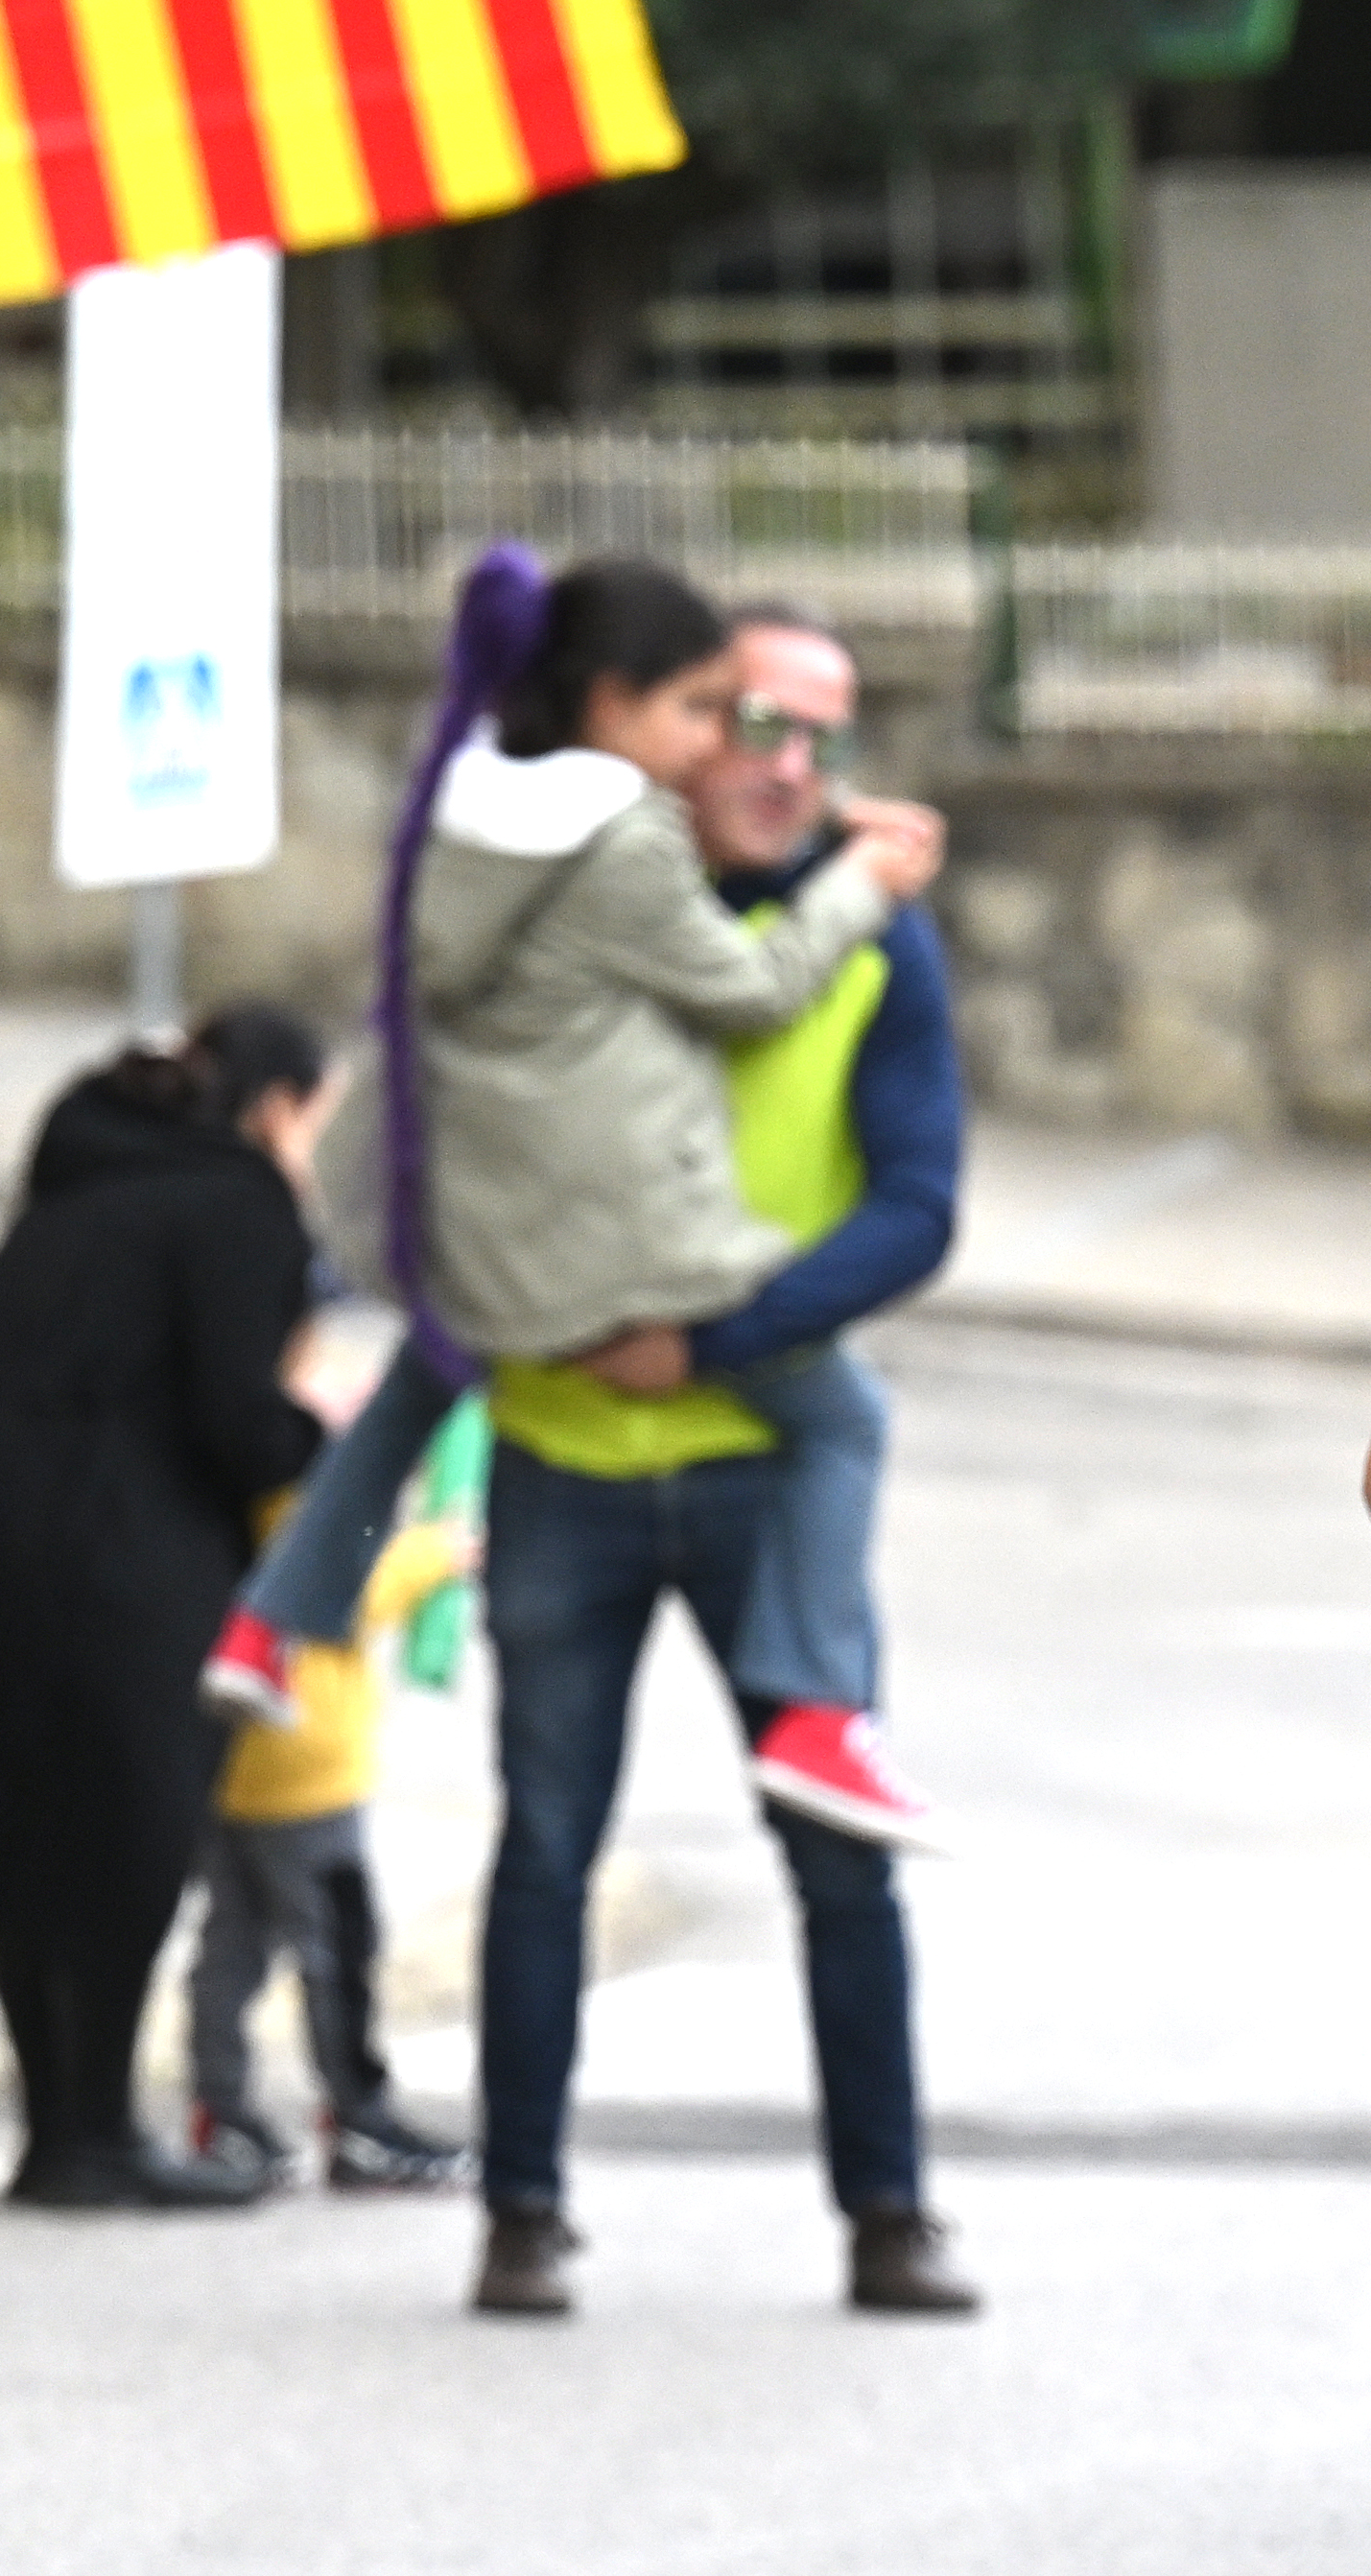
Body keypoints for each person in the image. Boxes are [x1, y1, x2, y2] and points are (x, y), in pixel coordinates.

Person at [212, 553, 952, 1854]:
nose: (720, 743)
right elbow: (756, 984)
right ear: (613, 703)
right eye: (701, 711)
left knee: (414, 1389)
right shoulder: (625, 843)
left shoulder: (468, 807)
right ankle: (813, 1713)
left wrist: (820, 834)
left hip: (472, 1245)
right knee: (843, 1416)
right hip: (606, 1261)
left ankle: (274, 1619)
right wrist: (862, 886)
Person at [458, 595, 986, 2319]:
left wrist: (711, 1339)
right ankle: (519, 2213)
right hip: (561, 1451)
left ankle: (887, 2215)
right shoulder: (582, 895)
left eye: (821, 738)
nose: (784, 765)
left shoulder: (871, 938)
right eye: (752, 722)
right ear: (680, 730)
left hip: (763, 1456)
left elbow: (916, 1209)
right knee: (544, 1844)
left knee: (838, 1846)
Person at [0, 1018, 331, 2205]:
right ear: (281, 1108)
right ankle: (87, 2139)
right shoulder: (239, 1203)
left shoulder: (96, 1169)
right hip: (89, 1529)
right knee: (116, 1832)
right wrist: (320, 1437)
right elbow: (236, 1425)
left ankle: (68, 2131)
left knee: (12, 1824)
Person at [184, 1492, 476, 2192]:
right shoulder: (295, 1486)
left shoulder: (214, 1482)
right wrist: (437, 1552)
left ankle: (219, 2109)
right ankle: (358, 2118)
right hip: (307, 1765)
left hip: (232, 1760)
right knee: (338, 1951)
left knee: (231, 1947)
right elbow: (347, 1590)